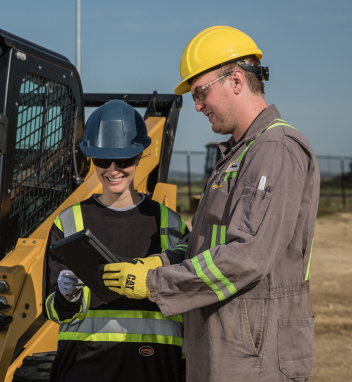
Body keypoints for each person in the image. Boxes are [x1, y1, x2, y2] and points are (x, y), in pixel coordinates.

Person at [102, 26, 320, 382]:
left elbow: (247, 255)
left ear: (236, 80)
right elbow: (205, 241)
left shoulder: (275, 148)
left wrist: (156, 282)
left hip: (255, 353)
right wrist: (160, 260)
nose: (198, 105)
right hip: (228, 343)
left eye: (201, 92)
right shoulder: (238, 154)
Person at [42, 100, 189, 382]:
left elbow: (186, 298)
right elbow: (53, 310)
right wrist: (64, 295)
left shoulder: (170, 224)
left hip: (155, 369)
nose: (112, 170)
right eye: (102, 160)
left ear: (138, 157)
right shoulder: (69, 222)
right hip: (85, 369)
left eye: (123, 160)